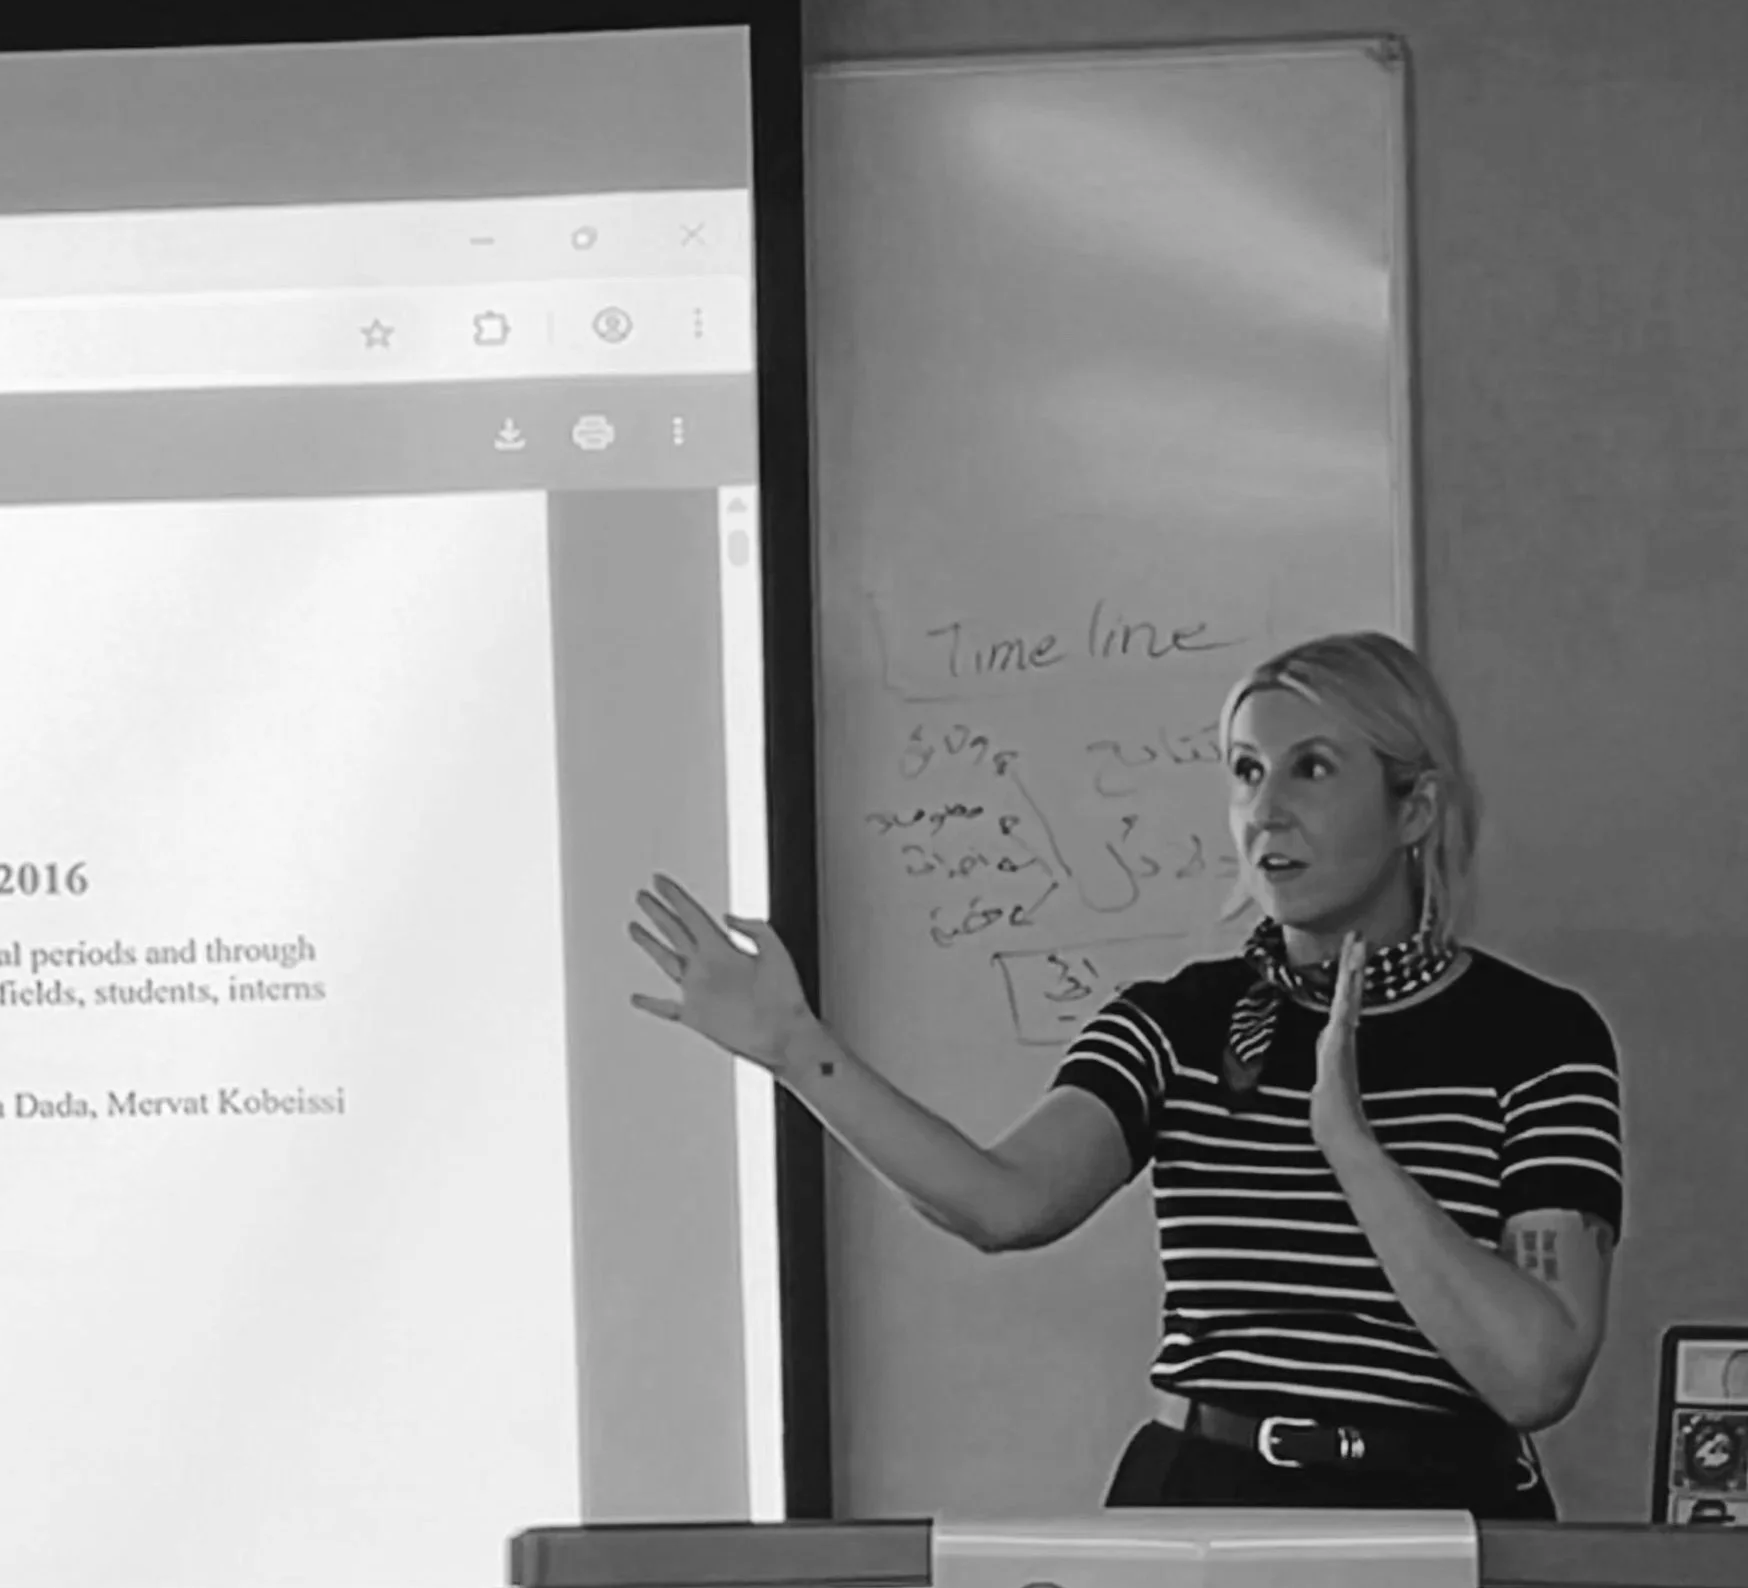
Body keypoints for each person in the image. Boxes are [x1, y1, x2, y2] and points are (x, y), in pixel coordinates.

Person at [631, 631, 1623, 1518]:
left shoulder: (1536, 1037)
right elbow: (1002, 1203)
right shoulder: (1177, 1023)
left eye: (1311, 769)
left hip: (1445, 1517)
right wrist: (794, 1050)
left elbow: (1534, 1377)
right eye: (1244, 772)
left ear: (1415, 807)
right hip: (1207, 1505)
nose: (1264, 811)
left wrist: (1350, 1146)